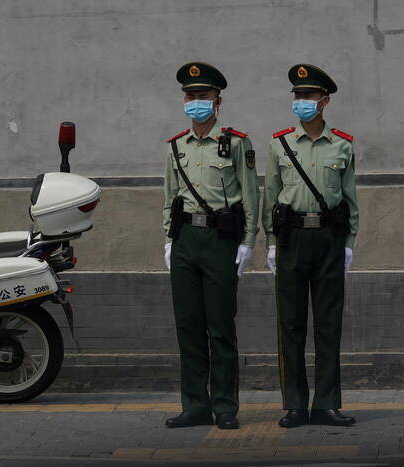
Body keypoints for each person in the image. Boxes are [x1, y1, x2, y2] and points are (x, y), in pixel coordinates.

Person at [162, 62, 260, 430]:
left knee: (220, 326)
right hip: (186, 240)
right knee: (188, 326)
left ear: (217, 100)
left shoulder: (236, 142)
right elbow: (168, 197)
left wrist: (248, 243)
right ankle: (194, 405)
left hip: (221, 240)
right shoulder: (175, 147)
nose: (195, 101)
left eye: (202, 95)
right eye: (190, 96)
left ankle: (224, 406)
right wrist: (169, 240)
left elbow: (251, 196)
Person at [262, 64, 359, 428]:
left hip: (329, 239)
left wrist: (349, 242)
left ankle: (327, 403)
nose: (302, 101)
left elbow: (350, 198)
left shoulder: (343, 144)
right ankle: (295, 405)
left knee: (328, 324)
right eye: (298, 96)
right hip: (292, 237)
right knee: (291, 324)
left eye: (309, 96)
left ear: (325, 100)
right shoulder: (280, 143)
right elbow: (270, 196)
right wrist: (271, 242)